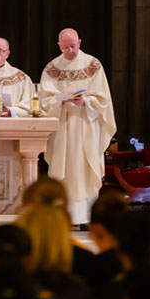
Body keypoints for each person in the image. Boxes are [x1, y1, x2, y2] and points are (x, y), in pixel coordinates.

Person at [40, 28, 116, 224]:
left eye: (73, 46)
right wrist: (61, 101)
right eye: (65, 47)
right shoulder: (52, 68)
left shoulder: (93, 65)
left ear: (80, 42)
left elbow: (103, 98)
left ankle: (87, 217)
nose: (70, 51)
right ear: (59, 45)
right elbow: (44, 98)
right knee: (62, 170)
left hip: (86, 126)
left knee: (84, 171)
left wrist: (88, 102)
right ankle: (63, 216)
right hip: (63, 126)